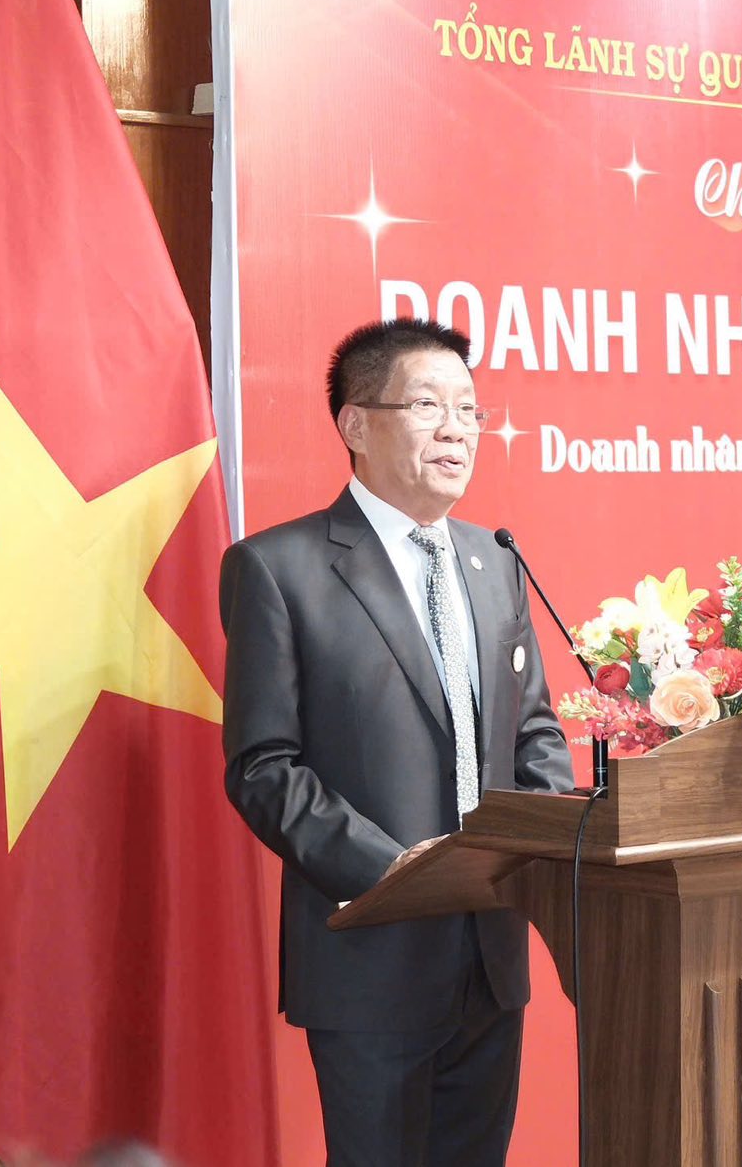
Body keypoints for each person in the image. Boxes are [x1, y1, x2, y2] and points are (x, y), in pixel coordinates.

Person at [221, 318, 575, 1166]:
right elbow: (264, 767)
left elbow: (533, 729)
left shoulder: (495, 561)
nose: (457, 430)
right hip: (371, 958)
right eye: (428, 406)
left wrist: (546, 838)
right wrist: (394, 871)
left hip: (491, 954)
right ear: (356, 424)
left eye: (470, 410)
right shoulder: (280, 568)